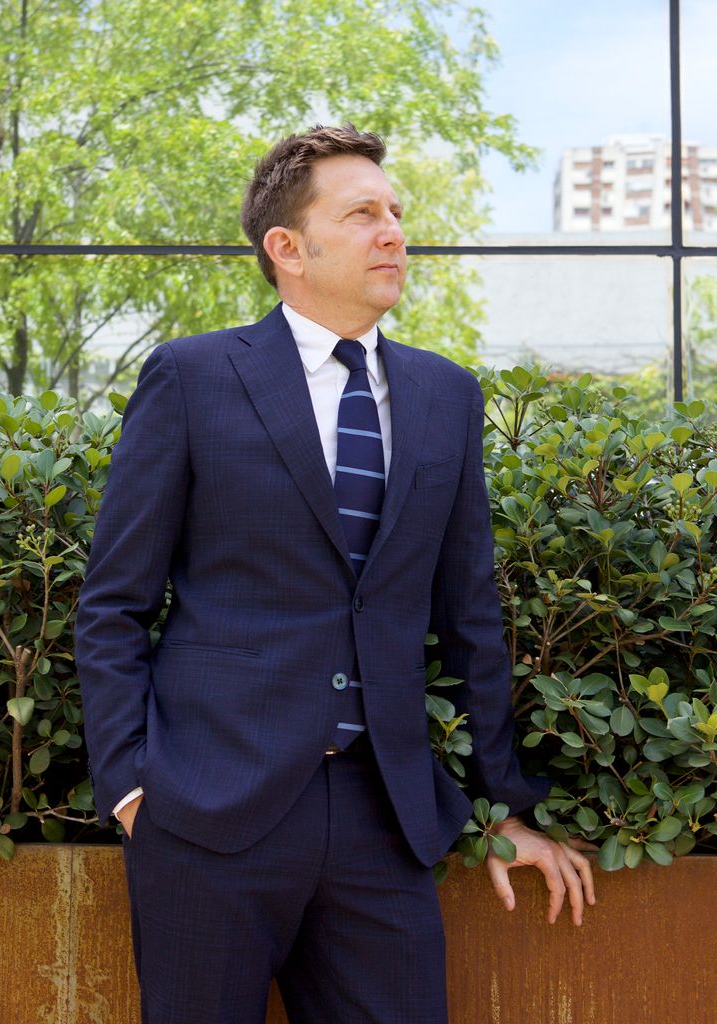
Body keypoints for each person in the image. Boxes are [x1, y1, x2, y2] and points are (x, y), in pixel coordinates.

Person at [75, 124, 594, 1024]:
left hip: (381, 817)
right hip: (206, 814)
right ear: (288, 248)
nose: (393, 231)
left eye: (395, 212)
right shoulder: (195, 378)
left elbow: (469, 613)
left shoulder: (445, 396)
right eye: (362, 214)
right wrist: (129, 787)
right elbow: (115, 601)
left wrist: (504, 807)